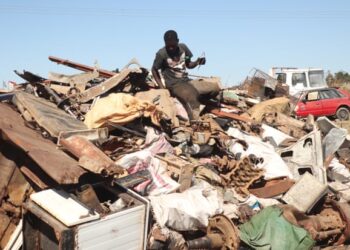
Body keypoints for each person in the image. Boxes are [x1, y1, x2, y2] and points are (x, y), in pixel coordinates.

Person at [152, 30, 220, 120]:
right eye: (168, 45)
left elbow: (189, 65)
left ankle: (200, 101)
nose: (171, 48)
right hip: (174, 84)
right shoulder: (161, 54)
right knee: (191, 98)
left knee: (214, 88)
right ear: (164, 42)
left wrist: (198, 62)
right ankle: (195, 122)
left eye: (173, 45)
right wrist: (162, 87)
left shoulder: (183, 48)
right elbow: (154, 69)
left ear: (178, 41)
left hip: (187, 81)